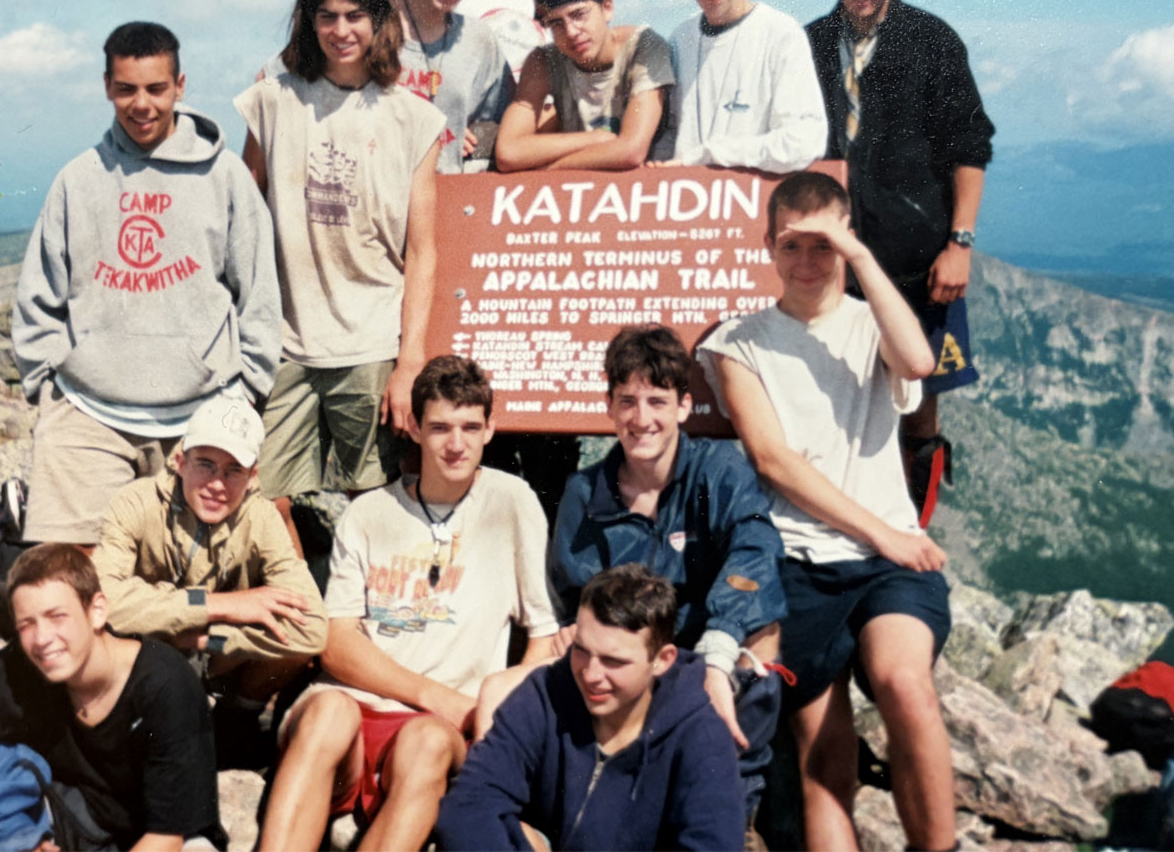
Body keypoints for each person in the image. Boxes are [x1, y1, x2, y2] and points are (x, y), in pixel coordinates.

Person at [697, 171, 954, 852]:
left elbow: (919, 361)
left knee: (906, 686)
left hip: (885, 565)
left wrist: (862, 257)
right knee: (824, 757)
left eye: (824, 246)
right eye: (791, 246)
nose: (807, 264)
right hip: (799, 561)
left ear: (846, 244)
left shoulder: (874, 325)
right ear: (768, 246)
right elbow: (773, 459)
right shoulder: (737, 342)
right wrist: (884, 535)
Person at [258, 355, 559, 852]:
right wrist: (431, 693)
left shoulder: (512, 502)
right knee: (327, 714)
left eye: (470, 426)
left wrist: (497, 713)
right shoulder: (370, 512)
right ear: (415, 428)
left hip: (442, 728)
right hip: (356, 708)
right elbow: (336, 643)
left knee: (428, 742)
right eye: (440, 427)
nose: (456, 443)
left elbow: (544, 639)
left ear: (490, 429)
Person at [12, 21, 279, 546]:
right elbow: (38, 294)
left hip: (198, 417)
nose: (142, 104)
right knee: (71, 578)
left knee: (187, 586)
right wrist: (47, 390)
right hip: (88, 415)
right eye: (127, 89)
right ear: (107, 87)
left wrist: (244, 394)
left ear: (180, 86)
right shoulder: (79, 179)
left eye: (156, 88)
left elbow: (260, 297)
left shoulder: (225, 177)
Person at [535, 325, 787, 824]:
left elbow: (757, 547)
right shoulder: (586, 493)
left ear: (683, 406)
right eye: (627, 401)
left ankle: (724, 803)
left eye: (656, 400)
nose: (641, 418)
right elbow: (575, 594)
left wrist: (717, 651)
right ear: (609, 406)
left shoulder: (717, 471)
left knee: (763, 631)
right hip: (632, 674)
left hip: (707, 656)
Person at [234, 0, 447, 517]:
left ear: (380, 19)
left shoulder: (415, 118)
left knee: (374, 503)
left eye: (354, 15)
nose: (340, 30)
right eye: (326, 16)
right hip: (284, 340)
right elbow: (243, 212)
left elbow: (422, 251)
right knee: (262, 499)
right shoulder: (271, 100)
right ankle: (304, 602)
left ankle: (360, 604)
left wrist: (410, 362)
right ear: (308, 21)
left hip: (371, 341)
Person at [805, 0, 994, 521]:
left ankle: (913, 526)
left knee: (922, 397)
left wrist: (960, 243)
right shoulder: (807, 43)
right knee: (835, 393)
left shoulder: (933, 41)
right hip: (834, 261)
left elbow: (970, 146)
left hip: (918, 259)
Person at [0, 543, 224, 851]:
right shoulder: (20, 669)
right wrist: (8, 825)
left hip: (168, 837)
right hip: (76, 819)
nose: (43, 638)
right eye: (26, 624)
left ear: (97, 611)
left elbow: (166, 837)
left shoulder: (164, 684)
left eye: (57, 616)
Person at [436, 564, 746, 852]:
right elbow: (469, 804)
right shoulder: (544, 694)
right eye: (581, 651)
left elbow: (712, 844)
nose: (591, 675)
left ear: (662, 660)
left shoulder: (701, 736)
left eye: (614, 661)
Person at [92, 395, 326, 759]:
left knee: (293, 637)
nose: (218, 483)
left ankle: (237, 719)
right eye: (206, 464)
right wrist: (220, 605)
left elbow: (312, 628)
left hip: (215, 655)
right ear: (181, 461)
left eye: (233, 470)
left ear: (252, 477)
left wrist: (205, 639)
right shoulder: (135, 503)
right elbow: (105, 602)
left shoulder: (262, 519)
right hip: (146, 652)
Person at [667, 0, 827, 173]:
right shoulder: (678, 39)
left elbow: (806, 141)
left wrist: (715, 154)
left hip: (752, 205)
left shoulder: (782, 34)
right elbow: (670, 135)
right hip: (686, 204)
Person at [493, 0, 676, 173]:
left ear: (607, 7)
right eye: (556, 23)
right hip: (580, 189)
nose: (571, 32)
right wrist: (596, 139)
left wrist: (547, 169)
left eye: (578, 14)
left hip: (644, 186)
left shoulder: (643, 47)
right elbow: (508, 152)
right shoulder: (544, 61)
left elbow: (630, 151)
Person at [390, 0, 516, 175]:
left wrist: (477, 138)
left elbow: (509, 125)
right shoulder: (367, 29)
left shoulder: (480, 42)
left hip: (445, 202)